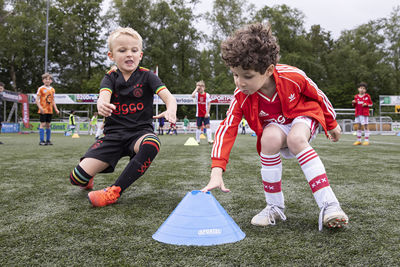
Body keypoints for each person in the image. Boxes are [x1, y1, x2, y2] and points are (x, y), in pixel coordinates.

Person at [201, 23, 348, 231]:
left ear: (269, 70)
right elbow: (227, 129)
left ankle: (330, 205)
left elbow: (318, 94)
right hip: (276, 126)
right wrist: (216, 170)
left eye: (247, 76)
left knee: (296, 139)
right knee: (268, 139)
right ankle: (275, 207)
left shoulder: (293, 76)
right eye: (235, 74)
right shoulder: (241, 97)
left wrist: (332, 124)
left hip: (304, 116)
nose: (239, 83)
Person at [69, 27, 177, 207]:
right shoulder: (110, 77)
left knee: (152, 143)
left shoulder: (148, 76)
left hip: (139, 134)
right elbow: (103, 96)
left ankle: (114, 191)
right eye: (122, 50)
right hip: (113, 136)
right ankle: (88, 178)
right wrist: (101, 104)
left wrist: (171, 109)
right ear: (111, 55)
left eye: (134, 50)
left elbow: (169, 97)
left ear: (140, 54)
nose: (129, 55)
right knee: (76, 178)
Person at [35, 73, 59, 145]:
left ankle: (48, 140)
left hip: (50, 110)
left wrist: (56, 109)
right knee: (42, 124)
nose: (47, 81)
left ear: (51, 81)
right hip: (43, 110)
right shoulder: (41, 88)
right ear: (43, 80)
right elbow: (37, 100)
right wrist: (40, 107)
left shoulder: (52, 89)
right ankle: (41, 141)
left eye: (49, 79)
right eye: (46, 79)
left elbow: (53, 100)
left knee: (48, 125)